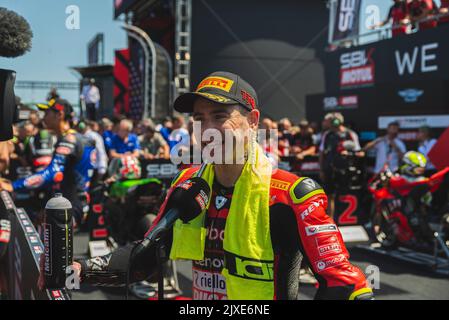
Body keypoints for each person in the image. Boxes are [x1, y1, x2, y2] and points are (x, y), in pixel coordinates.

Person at [62, 71, 373, 300]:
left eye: (220, 116)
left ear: (252, 121)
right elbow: (146, 258)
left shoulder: (291, 195)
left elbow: (347, 286)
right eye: (199, 118)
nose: (207, 129)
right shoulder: (188, 184)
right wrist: (78, 269)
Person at [0, 98, 97, 226]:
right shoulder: (77, 138)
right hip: (73, 202)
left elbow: (53, 172)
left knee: (53, 244)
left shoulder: (69, 140)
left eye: (47, 113)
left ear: (59, 115)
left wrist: (14, 185)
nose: (43, 117)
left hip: (69, 206)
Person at [319, 112, 363, 217]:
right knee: (330, 195)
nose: (334, 122)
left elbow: (360, 152)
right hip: (330, 169)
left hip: (345, 170)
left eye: (336, 119)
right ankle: (331, 220)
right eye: (332, 120)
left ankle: (344, 219)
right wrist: (321, 169)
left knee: (344, 194)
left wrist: (349, 153)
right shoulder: (327, 135)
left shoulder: (350, 134)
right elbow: (321, 152)